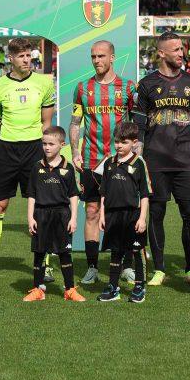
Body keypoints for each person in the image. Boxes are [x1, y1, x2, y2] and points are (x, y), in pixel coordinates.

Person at [133, 31, 190, 287]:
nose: (181, 53)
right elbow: (139, 125)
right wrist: (138, 157)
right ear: (161, 53)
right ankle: (159, 269)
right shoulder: (146, 84)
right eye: (175, 49)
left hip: (186, 160)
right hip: (155, 160)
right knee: (156, 213)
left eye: (181, 49)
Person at [0, 38, 56, 283]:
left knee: (42, 205)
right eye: (22, 56)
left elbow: (47, 122)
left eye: (29, 55)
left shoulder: (44, 83)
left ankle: (45, 265)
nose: (27, 60)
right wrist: (11, 133)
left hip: (34, 151)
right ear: (11, 58)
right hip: (6, 151)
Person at [69, 40, 136, 284]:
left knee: (125, 213)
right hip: (91, 159)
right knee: (92, 211)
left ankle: (127, 266)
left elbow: (137, 124)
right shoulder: (82, 88)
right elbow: (75, 123)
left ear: (112, 58)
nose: (97, 60)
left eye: (101, 56)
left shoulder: (128, 87)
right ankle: (92, 268)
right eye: (93, 56)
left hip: (121, 160)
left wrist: (136, 153)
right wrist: (74, 152)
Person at [23, 126, 83, 302]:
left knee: (64, 253)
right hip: (41, 214)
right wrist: (30, 218)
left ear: (62, 145)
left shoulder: (68, 168)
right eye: (44, 144)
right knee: (39, 253)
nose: (47, 147)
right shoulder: (36, 167)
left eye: (51, 144)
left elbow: (73, 195)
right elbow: (31, 195)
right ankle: (37, 289)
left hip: (62, 215)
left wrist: (73, 218)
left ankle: (69, 289)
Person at [95, 121, 151, 303]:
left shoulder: (139, 163)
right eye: (117, 141)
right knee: (115, 251)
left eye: (124, 142)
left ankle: (139, 286)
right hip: (112, 215)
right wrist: (102, 215)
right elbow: (103, 193)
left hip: (133, 215)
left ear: (134, 142)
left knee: (137, 250)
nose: (119, 145)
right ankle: (113, 287)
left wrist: (142, 218)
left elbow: (145, 194)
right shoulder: (109, 163)